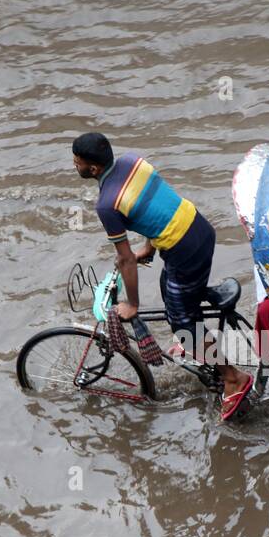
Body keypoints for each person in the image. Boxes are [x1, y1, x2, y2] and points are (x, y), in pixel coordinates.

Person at [71, 132, 254, 420]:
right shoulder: (133, 162)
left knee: (183, 322)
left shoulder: (107, 204)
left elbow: (125, 259)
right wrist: (149, 247)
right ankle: (192, 337)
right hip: (196, 226)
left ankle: (233, 378)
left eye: (77, 162)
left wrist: (132, 304)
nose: (74, 165)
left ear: (92, 169)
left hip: (186, 250)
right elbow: (154, 207)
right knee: (170, 294)